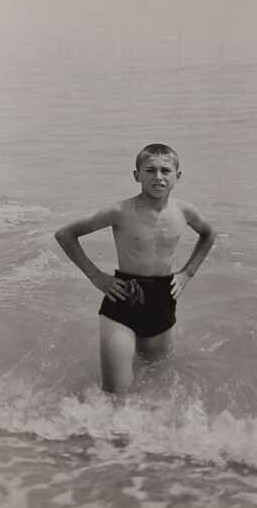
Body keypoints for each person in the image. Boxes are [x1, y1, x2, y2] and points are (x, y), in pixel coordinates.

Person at [54, 143, 217, 394]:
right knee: (116, 389)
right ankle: (106, 432)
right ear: (136, 175)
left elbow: (208, 234)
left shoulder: (184, 211)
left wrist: (187, 273)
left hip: (163, 299)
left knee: (155, 386)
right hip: (124, 298)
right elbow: (66, 234)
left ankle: (144, 433)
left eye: (165, 170)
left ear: (178, 175)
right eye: (150, 170)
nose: (158, 177)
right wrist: (97, 277)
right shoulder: (120, 211)